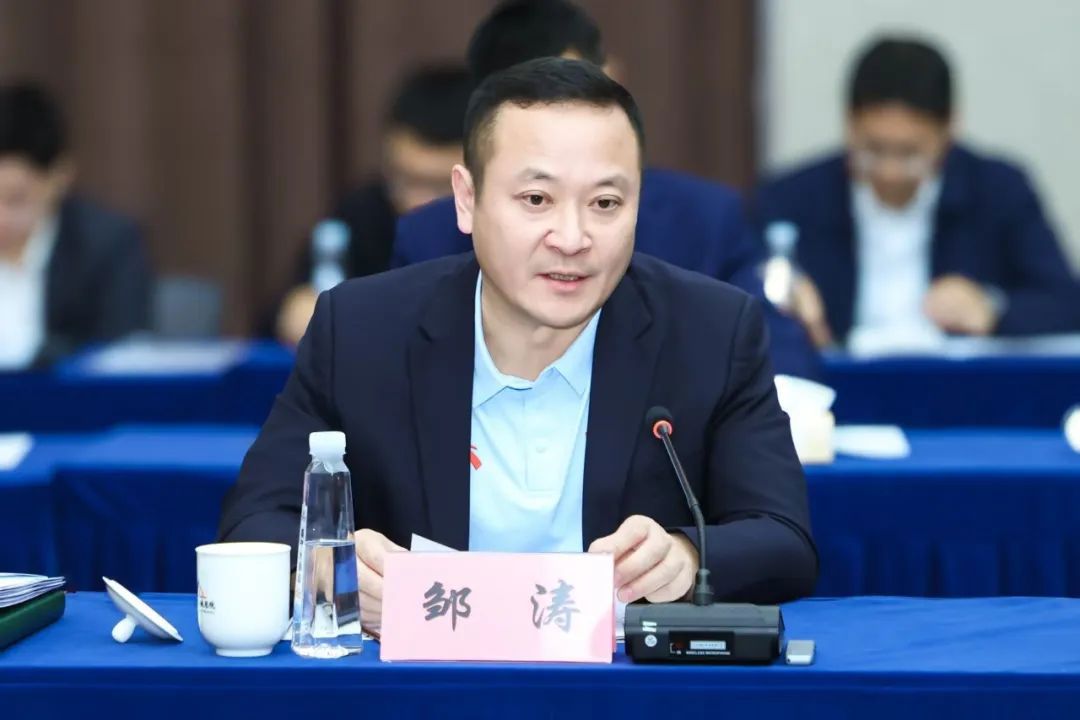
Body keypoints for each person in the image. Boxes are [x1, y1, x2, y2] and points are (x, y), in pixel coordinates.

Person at [219, 58, 817, 636]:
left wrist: (687, 556)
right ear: (467, 199)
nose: (572, 238)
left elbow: (783, 537)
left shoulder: (711, 331)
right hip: (420, 685)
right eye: (536, 200)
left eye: (606, 203)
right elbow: (253, 522)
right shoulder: (362, 330)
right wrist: (329, 565)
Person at [392, 0, 821, 379]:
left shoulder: (706, 219)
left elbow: (777, 359)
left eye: (579, 92)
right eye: (536, 199)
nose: (570, 238)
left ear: (613, 79)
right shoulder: (427, 239)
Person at [754, 37, 1080, 352]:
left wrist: (991, 308)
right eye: (872, 150)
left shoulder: (998, 190)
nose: (890, 172)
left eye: (910, 153)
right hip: (835, 381)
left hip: (955, 383)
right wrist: (782, 305)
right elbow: (743, 298)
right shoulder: (791, 198)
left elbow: (1065, 302)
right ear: (849, 124)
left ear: (950, 128)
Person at [274, 65, 472, 345]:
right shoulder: (364, 214)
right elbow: (295, 312)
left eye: (440, 184)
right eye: (403, 179)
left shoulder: (507, 225)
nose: (417, 202)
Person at [0, 82, 150, 370]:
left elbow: (118, 355)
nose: (1, 217)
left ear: (59, 177)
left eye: (16, 199)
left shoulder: (107, 246)